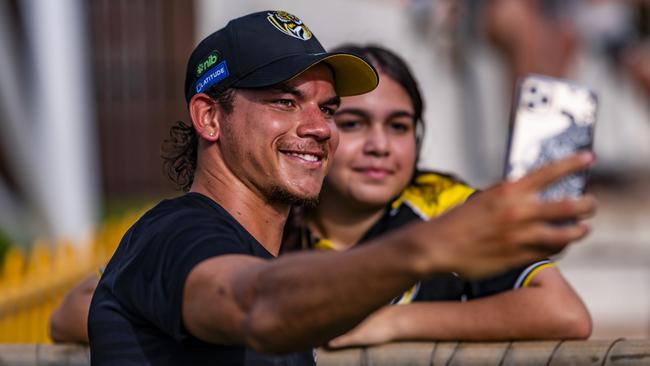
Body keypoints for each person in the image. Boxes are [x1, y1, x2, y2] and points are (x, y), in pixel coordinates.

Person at [86, 10, 596, 365]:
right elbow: (255, 307)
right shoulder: (177, 231)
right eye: (285, 102)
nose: (320, 127)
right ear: (209, 117)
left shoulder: (265, 252)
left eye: (328, 109)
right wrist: (430, 248)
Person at [281, 44, 591, 348]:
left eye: (398, 126)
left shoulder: (449, 206)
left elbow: (563, 312)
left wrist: (394, 321)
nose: (379, 145)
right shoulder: (278, 209)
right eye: (353, 124)